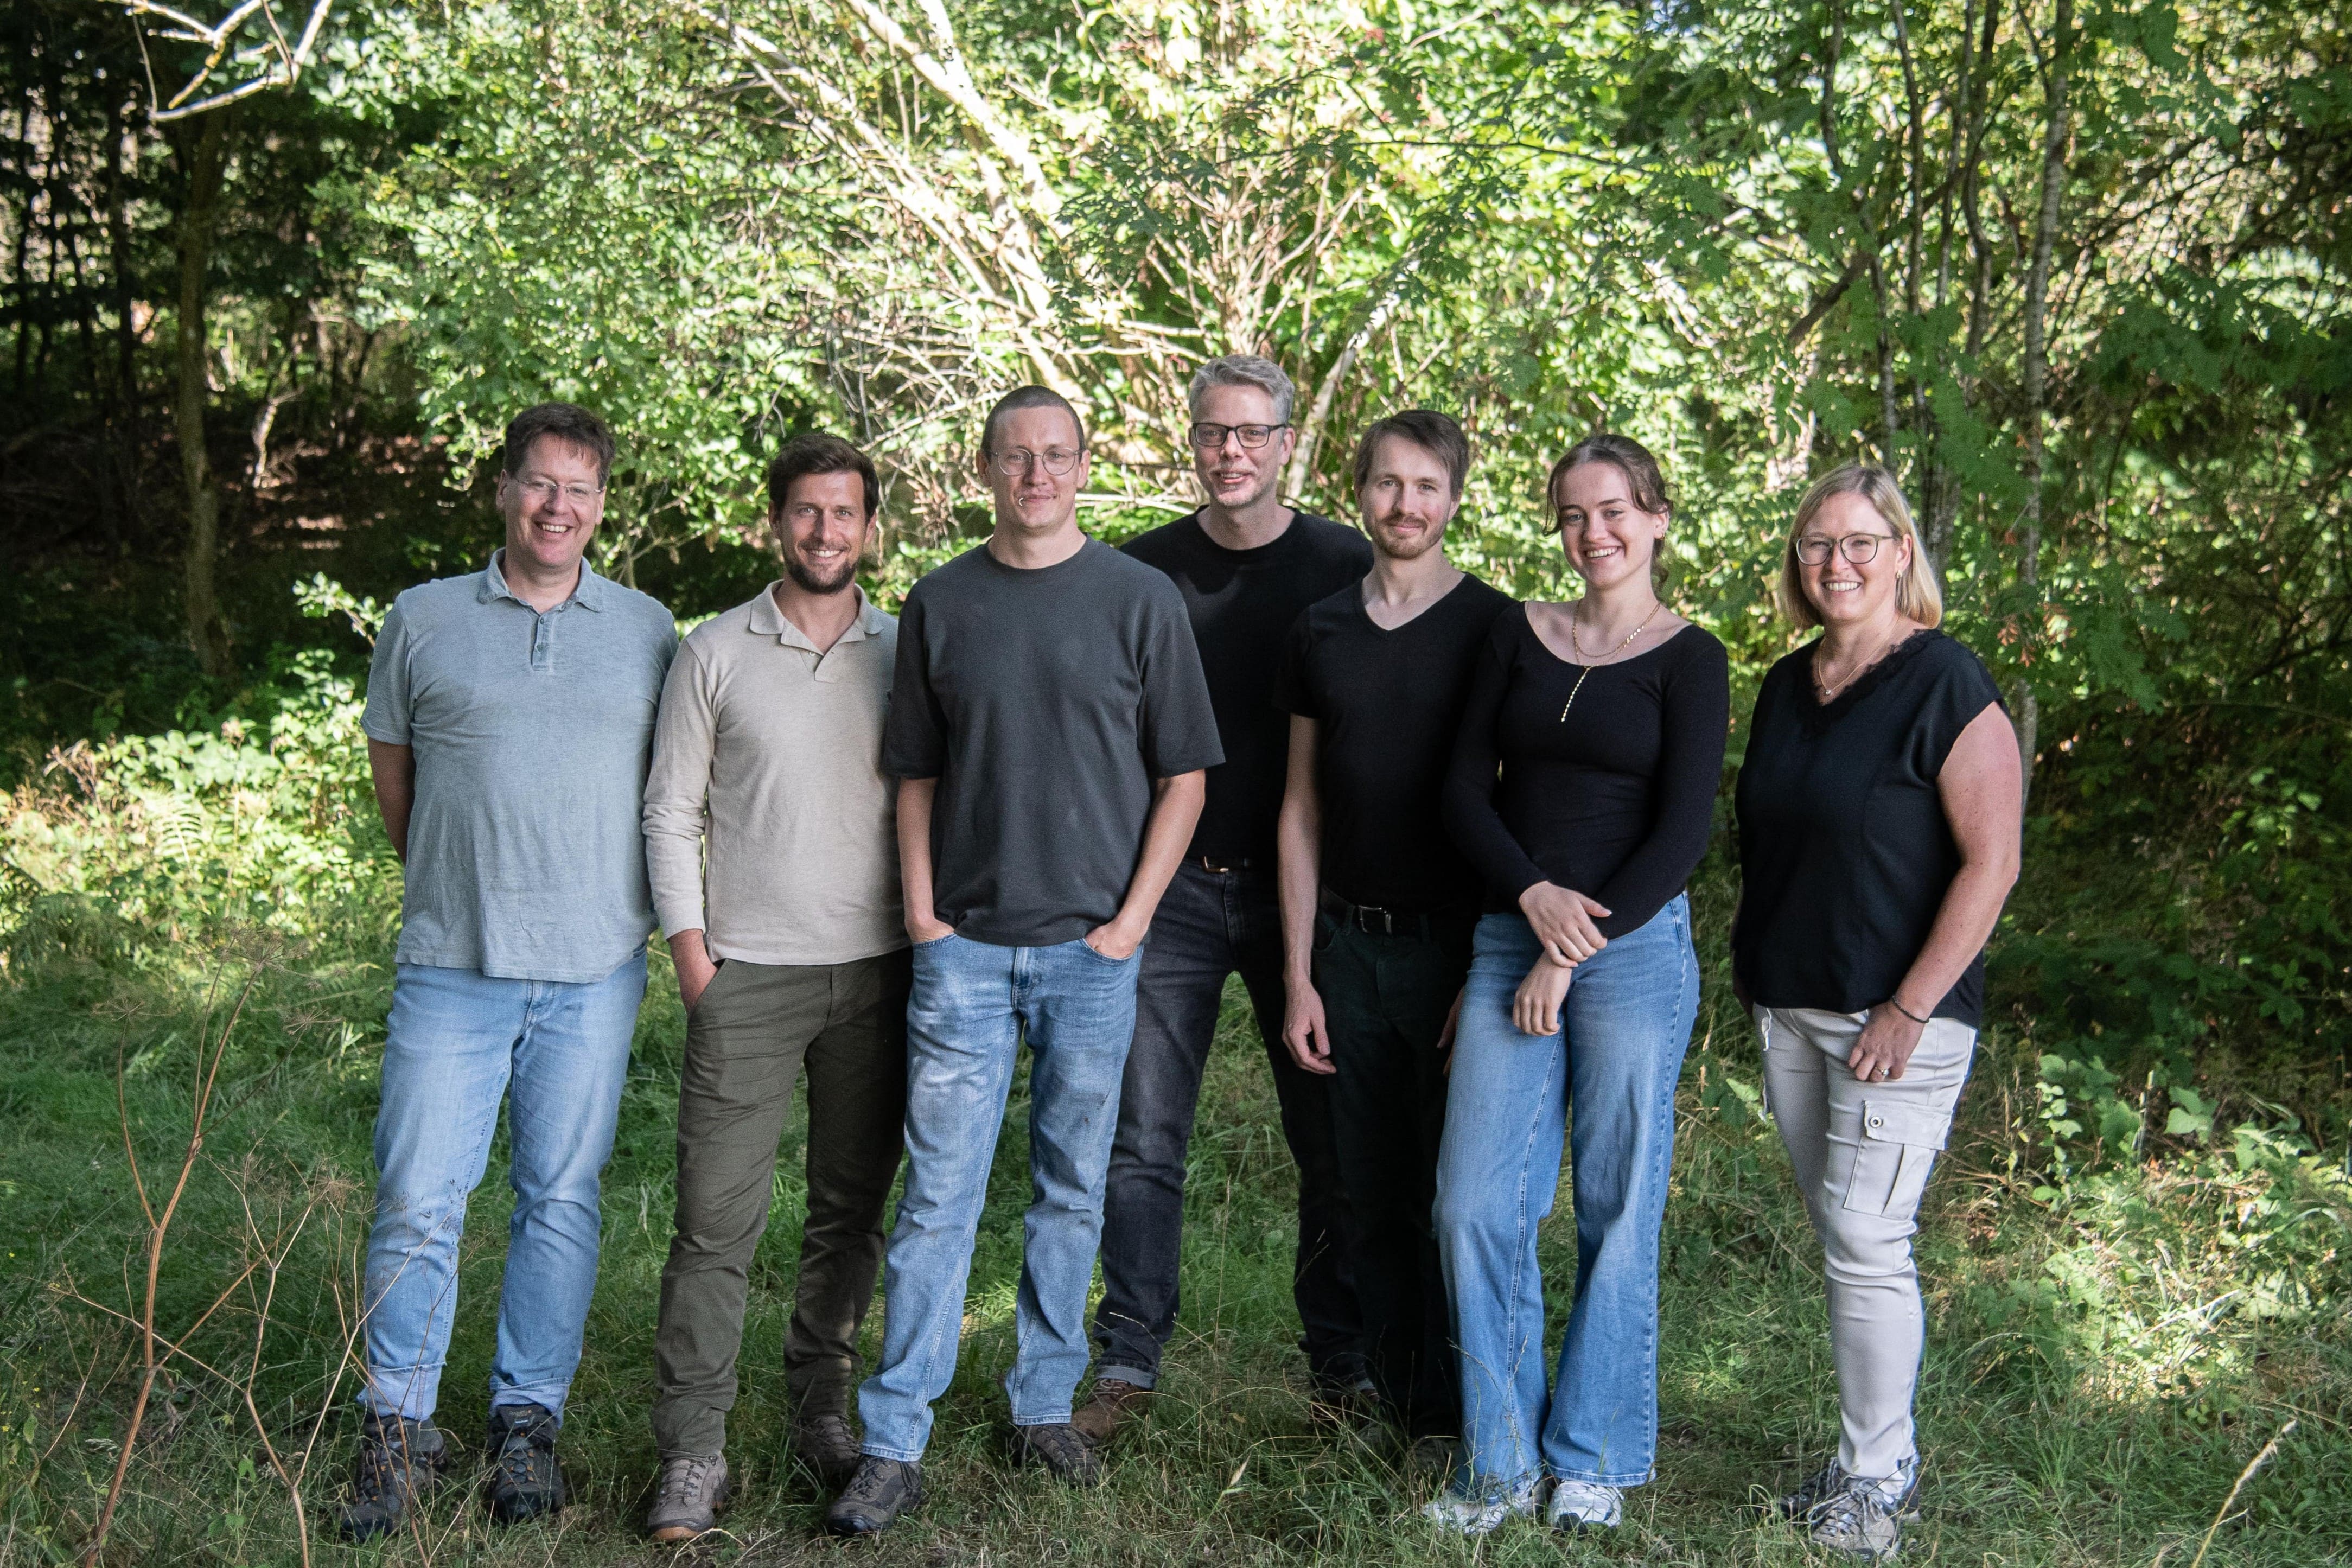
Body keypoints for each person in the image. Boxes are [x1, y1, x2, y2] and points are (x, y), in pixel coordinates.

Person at [825, 386, 1222, 1537]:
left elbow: (1184, 777)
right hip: (962, 952)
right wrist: (923, 915)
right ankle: (895, 1434)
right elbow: (916, 775)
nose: (1036, 473)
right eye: (1015, 456)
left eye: (1055, 455)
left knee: (1069, 1187)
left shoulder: (1141, 600)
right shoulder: (941, 601)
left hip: (1091, 954)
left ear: (1080, 466)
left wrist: (1129, 923)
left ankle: (1042, 1401)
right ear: (985, 469)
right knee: (936, 1197)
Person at [344, 403, 677, 1540]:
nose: (557, 507)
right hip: (452, 966)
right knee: (417, 1200)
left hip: (593, 970)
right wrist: (456, 880)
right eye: (539, 484)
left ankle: (526, 1419)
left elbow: (669, 794)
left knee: (560, 1199)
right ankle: (394, 1425)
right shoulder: (424, 619)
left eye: (579, 490)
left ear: (599, 504)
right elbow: (401, 783)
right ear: (501, 489)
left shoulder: (645, 629)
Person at [1432, 432, 1728, 1535]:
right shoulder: (1517, 634)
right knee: (1471, 1200)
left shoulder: (1690, 658)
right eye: (1571, 514)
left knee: (1616, 1199)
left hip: (1633, 948)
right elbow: (1463, 793)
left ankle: (1593, 1452)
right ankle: (1498, 1459)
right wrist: (1530, 903)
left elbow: (1681, 832)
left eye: (1613, 511)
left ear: (1653, 518)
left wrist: (1570, 945)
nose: (1592, 532)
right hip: (1510, 930)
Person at [1078, 355, 1375, 1444]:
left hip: (1311, 900)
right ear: (1190, 441)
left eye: (1253, 431)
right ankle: (1128, 1358)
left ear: (1288, 440)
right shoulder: (1139, 573)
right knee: (1143, 1136)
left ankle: (1341, 1367)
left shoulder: (1345, 564)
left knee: (1329, 1138)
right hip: (1171, 897)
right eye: (1213, 432)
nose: (1231, 451)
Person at [1732, 463, 2019, 1559]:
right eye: (1815, 545)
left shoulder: (1946, 680)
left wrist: (1907, 1003)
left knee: (1865, 1238)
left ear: (1901, 551)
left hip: (1895, 1016)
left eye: (1858, 542)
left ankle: (1874, 1484)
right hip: (1792, 1003)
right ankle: (1857, 1461)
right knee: (1842, 1235)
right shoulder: (1783, 683)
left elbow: (1990, 864)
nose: (1835, 563)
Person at [638, 434, 910, 1542]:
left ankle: (820, 1413)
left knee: (850, 1215)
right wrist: (693, 952)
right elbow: (669, 810)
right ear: (776, 521)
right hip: (747, 971)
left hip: (880, 971)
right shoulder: (712, 651)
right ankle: (692, 1451)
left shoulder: (905, 648)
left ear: (868, 526)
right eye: (805, 511)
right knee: (714, 1221)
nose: (825, 531)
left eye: (844, 513)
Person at [1271, 410, 1513, 1459]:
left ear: (1455, 498)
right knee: (1367, 1191)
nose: (1405, 505)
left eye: (1426, 486)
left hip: (1461, 951)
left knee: (1456, 1193)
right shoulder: (1320, 627)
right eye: (1385, 484)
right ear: (1357, 491)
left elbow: (1521, 808)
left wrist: (1492, 961)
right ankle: (1409, 1407)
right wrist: (1298, 973)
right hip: (1346, 950)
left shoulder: (1500, 628)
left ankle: (1478, 1413)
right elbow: (1299, 808)